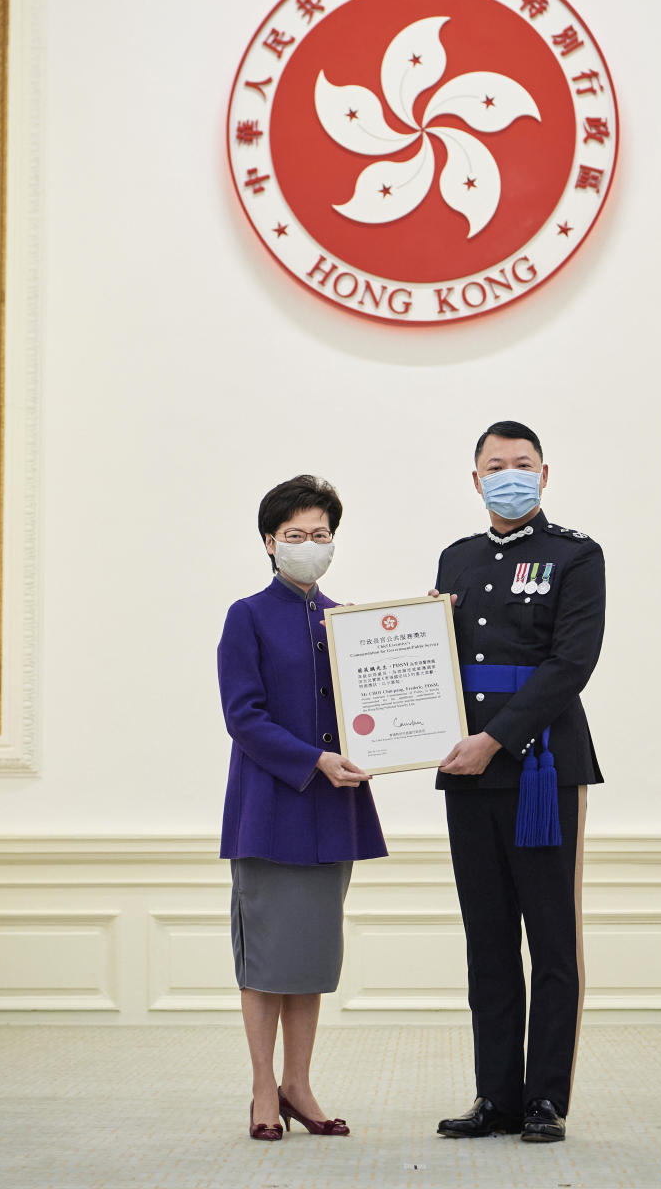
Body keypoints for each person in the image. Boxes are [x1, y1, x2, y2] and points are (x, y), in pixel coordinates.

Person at [431, 422, 605, 1144]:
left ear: (543, 473)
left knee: (551, 939)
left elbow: (571, 664)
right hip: (464, 773)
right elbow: (434, 658)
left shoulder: (576, 555)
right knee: (489, 940)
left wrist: (496, 739)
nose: (509, 475)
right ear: (475, 481)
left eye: (522, 464)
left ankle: (545, 1100)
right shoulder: (458, 558)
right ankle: (497, 1095)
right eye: (495, 465)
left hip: (539, 768)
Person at [217, 474, 387, 1142]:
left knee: (312, 958)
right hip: (267, 809)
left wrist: (429, 631)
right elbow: (244, 718)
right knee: (265, 960)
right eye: (296, 536)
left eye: (321, 535)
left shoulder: (350, 623)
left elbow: (376, 710)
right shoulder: (247, 615)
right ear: (269, 542)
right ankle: (263, 1089)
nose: (310, 545)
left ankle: (300, 1084)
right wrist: (313, 760)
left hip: (331, 814)